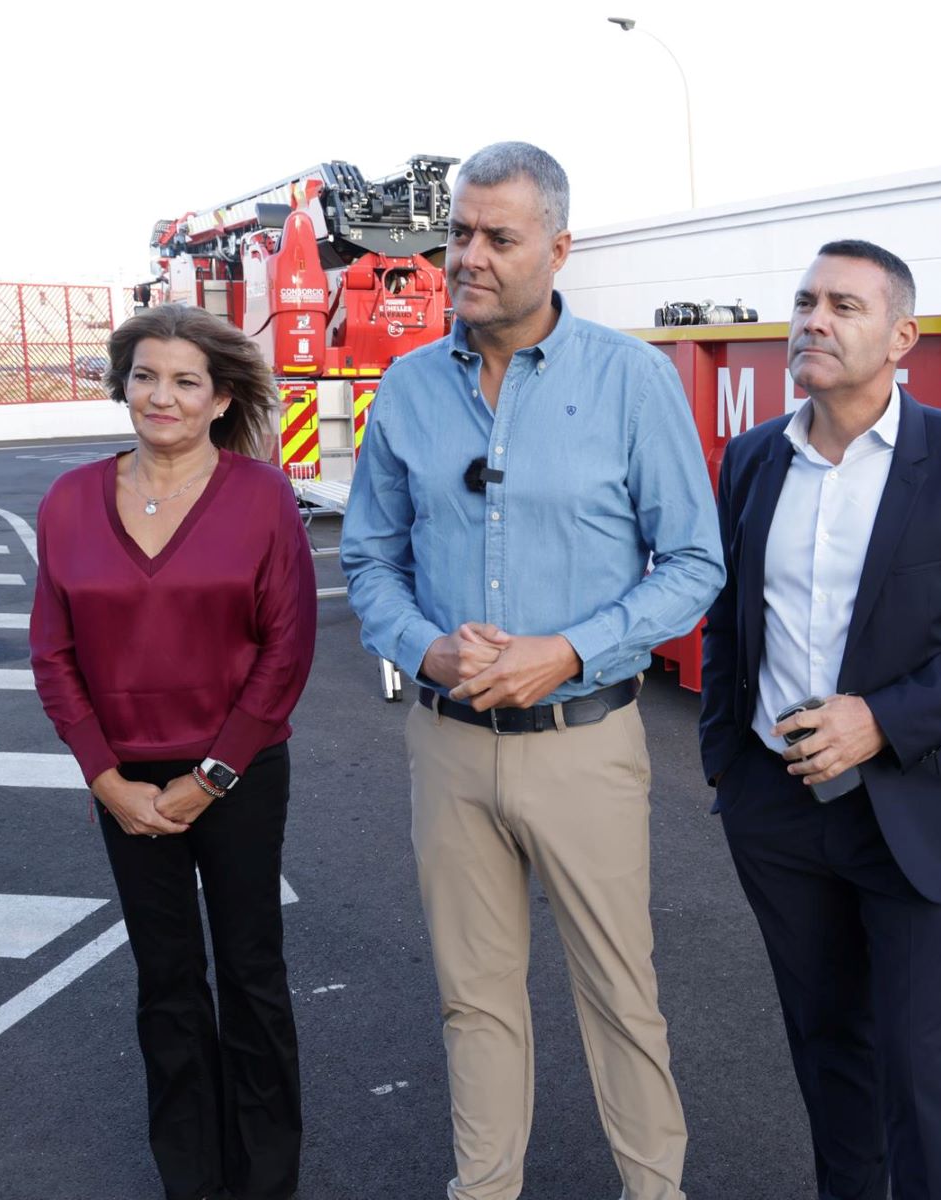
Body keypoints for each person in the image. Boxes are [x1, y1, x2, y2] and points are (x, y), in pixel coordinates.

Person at [341, 141, 722, 1200]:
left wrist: (567, 649)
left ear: (558, 248)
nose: (468, 256)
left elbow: (695, 561)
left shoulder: (632, 381)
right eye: (458, 232)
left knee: (620, 998)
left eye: (497, 238)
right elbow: (369, 559)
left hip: (583, 743)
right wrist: (422, 646)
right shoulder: (409, 388)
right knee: (474, 999)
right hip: (448, 745)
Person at [698, 240, 941, 1200]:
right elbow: (733, 621)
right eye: (805, 300)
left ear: (903, 337)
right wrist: (727, 771)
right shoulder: (750, 461)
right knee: (827, 1052)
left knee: (918, 1067)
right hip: (776, 813)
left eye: (845, 306)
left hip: (912, 813)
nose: (814, 319)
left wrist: (881, 720)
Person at [31, 303, 316, 1200]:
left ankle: (266, 1180)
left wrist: (212, 776)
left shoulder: (263, 496)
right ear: (124, 385)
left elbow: (288, 647)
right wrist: (106, 779)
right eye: (145, 376)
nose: (162, 396)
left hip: (237, 774)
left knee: (251, 975)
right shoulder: (70, 500)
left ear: (221, 398)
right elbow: (53, 650)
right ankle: (190, 1179)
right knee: (166, 984)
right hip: (126, 787)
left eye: (186, 381)